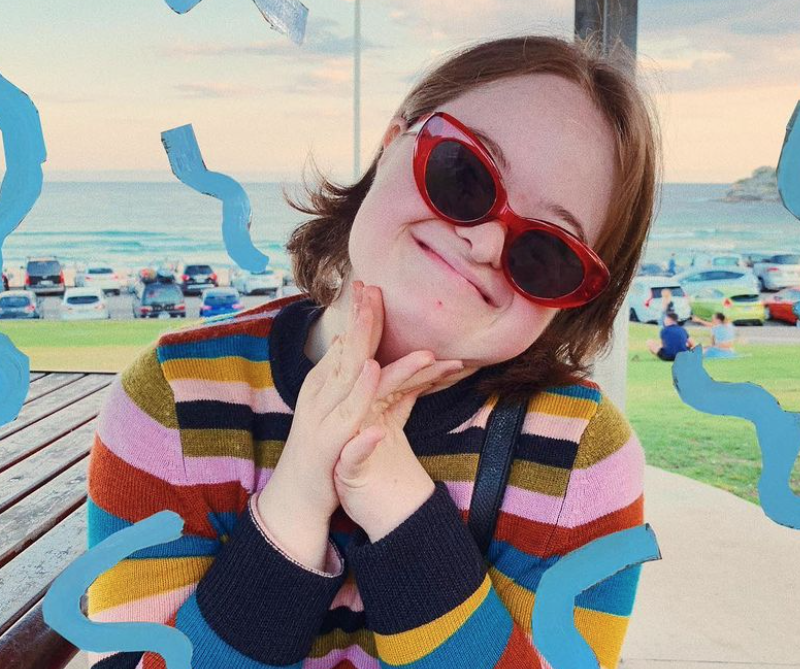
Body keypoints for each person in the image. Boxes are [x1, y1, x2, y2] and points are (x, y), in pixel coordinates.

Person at [86, 34, 661, 669]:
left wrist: (398, 505)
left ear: (571, 302)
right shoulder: (171, 401)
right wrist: (296, 499)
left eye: (548, 252)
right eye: (464, 176)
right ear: (391, 147)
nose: (485, 244)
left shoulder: (579, 459)